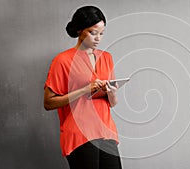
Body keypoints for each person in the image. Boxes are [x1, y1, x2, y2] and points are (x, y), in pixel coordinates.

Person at [44, 6, 122, 169]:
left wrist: (112, 93)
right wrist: (85, 90)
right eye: (93, 33)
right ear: (79, 30)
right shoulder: (63, 60)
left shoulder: (107, 58)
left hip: (106, 132)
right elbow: (49, 103)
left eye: (101, 33)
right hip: (80, 134)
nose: (98, 38)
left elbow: (112, 103)